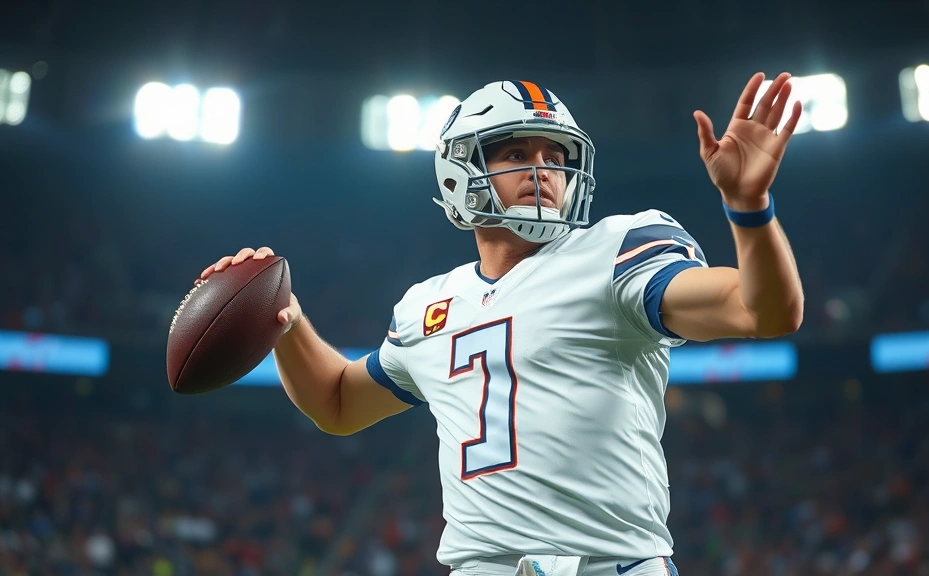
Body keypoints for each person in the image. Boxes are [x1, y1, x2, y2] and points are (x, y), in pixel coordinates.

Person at [198, 73, 805, 576]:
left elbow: (762, 311)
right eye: (517, 152)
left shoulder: (614, 250)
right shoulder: (427, 305)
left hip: (609, 566)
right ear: (459, 172)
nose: (543, 169)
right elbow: (335, 403)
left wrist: (748, 209)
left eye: (556, 157)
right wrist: (286, 320)